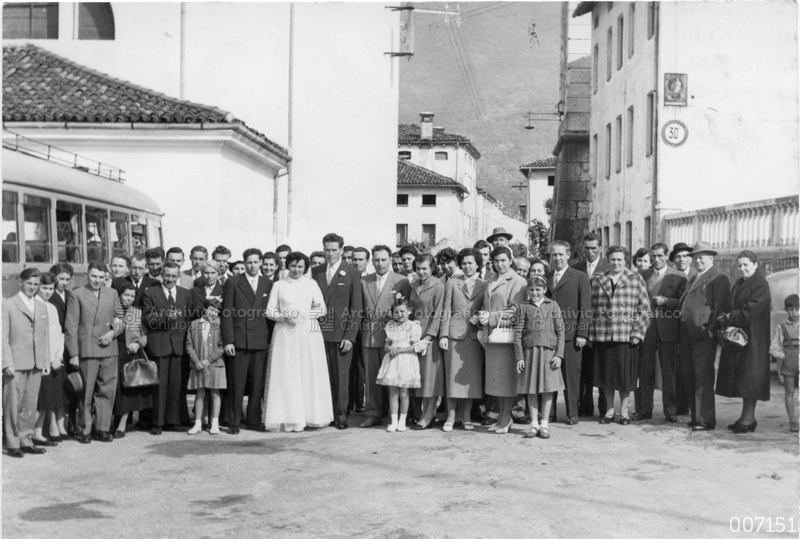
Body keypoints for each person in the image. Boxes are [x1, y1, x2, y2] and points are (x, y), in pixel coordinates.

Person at [264, 251, 332, 432]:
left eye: (300, 266)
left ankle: (311, 415)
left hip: (309, 332)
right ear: (287, 265)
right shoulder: (279, 285)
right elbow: (269, 310)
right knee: (288, 372)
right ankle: (290, 417)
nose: (296, 270)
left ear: (305, 268)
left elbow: (322, 309)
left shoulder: (311, 284)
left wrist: (304, 316)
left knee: (308, 371)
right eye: (293, 265)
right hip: (286, 333)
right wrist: (284, 317)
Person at [589, 246, 650, 425]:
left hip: (626, 336)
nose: (616, 263)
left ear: (625, 261)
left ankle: (624, 412)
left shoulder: (635, 278)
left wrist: (638, 333)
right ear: (608, 260)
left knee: (625, 378)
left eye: (619, 260)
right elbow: (590, 308)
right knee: (607, 377)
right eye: (612, 259)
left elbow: (644, 309)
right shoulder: (598, 279)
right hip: (603, 336)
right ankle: (609, 411)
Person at [65, 262, 123, 443]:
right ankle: (84, 429)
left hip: (109, 348)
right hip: (87, 350)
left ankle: (102, 428)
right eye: (94, 276)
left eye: (101, 277)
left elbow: (120, 318)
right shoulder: (77, 294)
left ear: (106, 277)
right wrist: (74, 353)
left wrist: (113, 332)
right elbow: (71, 326)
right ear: (87, 275)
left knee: (107, 389)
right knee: (86, 392)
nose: (97, 280)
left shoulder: (112, 293)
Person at [716, 250, 771, 434]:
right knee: (742, 378)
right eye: (739, 265)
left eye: (746, 264)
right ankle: (744, 417)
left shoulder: (761, 283)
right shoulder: (740, 282)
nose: (742, 268)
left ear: (756, 264)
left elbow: (752, 309)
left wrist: (731, 316)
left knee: (750, 379)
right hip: (738, 337)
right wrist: (725, 315)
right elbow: (731, 305)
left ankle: (749, 419)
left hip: (754, 338)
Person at [311, 233, 363, 430]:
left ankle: (341, 415)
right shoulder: (316, 271)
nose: (330, 253)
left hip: (341, 334)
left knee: (341, 377)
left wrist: (350, 336)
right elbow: (313, 302)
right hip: (319, 332)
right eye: (327, 249)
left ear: (341, 250)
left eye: (334, 250)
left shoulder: (351, 272)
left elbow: (356, 308)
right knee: (322, 376)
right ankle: (325, 413)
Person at [678, 241, 730, 431]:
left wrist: (711, 329)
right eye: (695, 257)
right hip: (686, 331)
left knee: (702, 376)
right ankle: (696, 415)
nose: (697, 260)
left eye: (702, 257)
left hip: (702, 333)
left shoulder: (718, 277)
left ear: (711, 258)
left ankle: (705, 419)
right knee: (689, 375)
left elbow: (720, 306)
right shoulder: (694, 277)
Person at [360, 245, 414, 428]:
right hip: (370, 334)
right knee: (372, 376)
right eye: (376, 259)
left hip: (395, 337)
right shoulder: (364, 280)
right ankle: (373, 413)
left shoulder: (401, 281)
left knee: (396, 377)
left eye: (383, 259)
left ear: (390, 259)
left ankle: (399, 416)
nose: (380, 263)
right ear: (372, 260)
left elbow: (407, 309)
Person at [633, 243, 687, 423]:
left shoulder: (678, 276)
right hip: (646, 328)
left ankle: (670, 410)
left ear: (666, 257)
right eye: (653, 256)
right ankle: (643, 409)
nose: (656, 259)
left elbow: (683, 302)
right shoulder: (642, 275)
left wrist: (667, 301)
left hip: (668, 329)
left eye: (660, 256)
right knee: (644, 370)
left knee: (668, 372)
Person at [221, 248, 273, 433]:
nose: (252, 266)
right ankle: (234, 422)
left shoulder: (268, 283)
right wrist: (228, 341)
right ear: (244, 263)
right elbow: (226, 313)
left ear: (260, 263)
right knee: (237, 383)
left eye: (255, 262)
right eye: (249, 262)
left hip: (259, 340)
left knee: (257, 383)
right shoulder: (233, 282)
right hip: (239, 341)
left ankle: (253, 420)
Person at [478, 245, 527, 434]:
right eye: (496, 261)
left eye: (503, 260)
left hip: (506, 338)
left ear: (510, 259)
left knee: (506, 380)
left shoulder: (518, 281)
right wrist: (481, 315)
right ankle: (501, 419)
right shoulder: (492, 279)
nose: (500, 264)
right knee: (497, 380)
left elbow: (516, 312)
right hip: (492, 337)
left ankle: (506, 419)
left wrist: (490, 317)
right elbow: (487, 303)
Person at [3, 269, 51, 457]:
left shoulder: (41, 306)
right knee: (12, 404)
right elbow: (2, 337)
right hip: (15, 362)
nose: (33, 287)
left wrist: (45, 361)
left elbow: (43, 336)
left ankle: (25, 438)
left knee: (29, 404)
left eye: (36, 284)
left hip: (36, 362)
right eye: (29, 283)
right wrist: (6, 362)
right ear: (20, 283)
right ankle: (11, 441)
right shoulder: (8, 305)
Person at [439, 248, 486, 431]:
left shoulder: (485, 284)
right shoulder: (452, 282)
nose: (467, 266)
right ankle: (450, 417)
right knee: (452, 377)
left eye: (470, 263)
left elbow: (486, 308)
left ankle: (466, 416)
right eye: (464, 263)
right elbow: (446, 310)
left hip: (474, 337)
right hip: (454, 335)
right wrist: (443, 334)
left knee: (470, 379)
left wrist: (480, 317)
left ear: (477, 265)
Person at [142, 262, 191, 435]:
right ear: (162, 275)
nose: (170, 279)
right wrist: (165, 317)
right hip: (160, 344)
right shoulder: (151, 293)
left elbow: (189, 318)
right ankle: (157, 422)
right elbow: (148, 319)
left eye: (173, 276)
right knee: (159, 387)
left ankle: (173, 421)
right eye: (167, 275)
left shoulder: (185, 294)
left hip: (179, 345)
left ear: (179, 276)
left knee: (176, 385)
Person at [546, 240, 592, 426]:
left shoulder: (579, 277)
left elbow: (586, 307)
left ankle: (572, 412)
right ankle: (550, 413)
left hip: (571, 335)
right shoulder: (547, 277)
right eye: (554, 254)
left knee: (571, 376)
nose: (557, 258)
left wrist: (582, 333)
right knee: (550, 373)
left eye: (560, 254)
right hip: (548, 335)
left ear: (568, 255)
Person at [515, 275, 565, 439]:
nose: (534, 293)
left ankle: (545, 424)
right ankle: (534, 424)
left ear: (544, 290)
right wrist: (519, 357)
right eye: (531, 290)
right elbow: (518, 333)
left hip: (548, 353)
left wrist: (558, 355)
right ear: (527, 291)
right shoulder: (523, 307)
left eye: (538, 289)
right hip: (530, 353)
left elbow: (560, 331)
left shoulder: (553, 305)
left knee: (547, 389)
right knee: (531, 390)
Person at [573, 232, 610, 418]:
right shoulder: (577, 268)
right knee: (584, 367)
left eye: (594, 248)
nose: (590, 252)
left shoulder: (609, 267)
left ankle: (605, 407)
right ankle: (585, 405)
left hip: (603, 326)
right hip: (582, 326)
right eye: (586, 248)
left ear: (600, 248)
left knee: (602, 367)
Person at [410, 253, 445, 430]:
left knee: (431, 378)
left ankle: (429, 415)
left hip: (429, 338)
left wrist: (429, 337)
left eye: (425, 268)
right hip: (415, 334)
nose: (421, 272)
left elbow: (438, 314)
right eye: (418, 268)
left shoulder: (438, 286)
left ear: (432, 269)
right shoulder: (414, 284)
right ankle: (423, 413)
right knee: (421, 378)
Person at [376, 297, 422, 432]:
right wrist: (390, 348)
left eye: (402, 311)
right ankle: (393, 422)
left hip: (406, 361)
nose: (399, 315)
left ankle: (402, 422)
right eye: (396, 312)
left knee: (404, 393)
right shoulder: (391, 325)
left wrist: (399, 350)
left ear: (409, 311)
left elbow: (415, 347)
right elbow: (386, 345)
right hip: (392, 361)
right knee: (393, 393)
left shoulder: (414, 326)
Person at [112, 282, 151, 438]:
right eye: (125, 295)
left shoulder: (136, 312)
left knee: (128, 390)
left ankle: (122, 424)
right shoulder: (112, 311)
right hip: (113, 352)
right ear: (119, 295)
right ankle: (109, 422)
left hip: (129, 353)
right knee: (113, 389)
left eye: (131, 296)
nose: (128, 298)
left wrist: (138, 344)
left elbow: (145, 335)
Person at [31, 272, 66, 446]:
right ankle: (34, 432)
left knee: (49, 399)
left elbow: (59, 334)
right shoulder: (33, 306)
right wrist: (45, 360)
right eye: (44, 288)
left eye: (50, 288)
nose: (47, 292)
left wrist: (58, 357)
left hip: (54, 361)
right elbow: (37, 338)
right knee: (41, 401)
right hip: (42, 362)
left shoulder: (51, 307)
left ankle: (38, 433)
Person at [186, 298, 226, 435]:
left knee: (215, 393)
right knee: (200, 393)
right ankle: (198, 423)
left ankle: (215, 423)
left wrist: (208, 360)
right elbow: (189, 345)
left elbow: (221, 347)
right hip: (198, 365)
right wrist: (196, 361)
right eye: (211, 309)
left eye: (216, 311)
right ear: (205, 309)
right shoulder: (194, 324)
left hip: (215, 365)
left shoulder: (219, 326)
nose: (213, 313)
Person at [669, 242, 696, 416]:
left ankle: (694, 407)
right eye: (678, 256)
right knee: (678, 367)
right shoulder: (671, 276)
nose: (681, 259)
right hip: (674, 327)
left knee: (693, 367)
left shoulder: (696, 275)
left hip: (693, 328)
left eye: (685, 256)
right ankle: (681, 405)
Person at [49, 263, 73, 439]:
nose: (64, 282)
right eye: (61, 279)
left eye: (67, 279)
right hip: (54, 346)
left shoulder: (69, 295)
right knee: (53, 388)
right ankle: (53, 426)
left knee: (65, 388)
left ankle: (62, 425)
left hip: (67, 347)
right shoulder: (49, 297)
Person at [771, 294, 799, 432]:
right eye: (791, 309)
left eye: (797, 309)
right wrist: (784, 356)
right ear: (786, 310)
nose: (794, 312)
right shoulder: (782, 327)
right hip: (789, 364)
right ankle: (793, 420)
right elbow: (774, 348)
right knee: (790, 391)